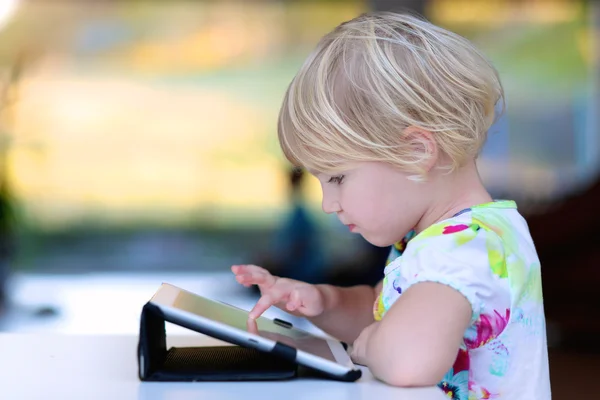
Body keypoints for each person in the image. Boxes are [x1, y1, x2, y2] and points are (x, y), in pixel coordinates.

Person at [232, 12, 550, 399]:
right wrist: (321, 302)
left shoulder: (461, 249)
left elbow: (407, 360)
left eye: (337, 178)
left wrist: (370, 346)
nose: (328, 204)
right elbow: (383, 313)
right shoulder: (452, 239)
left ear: (417, 152)